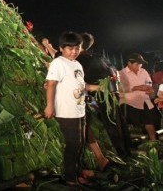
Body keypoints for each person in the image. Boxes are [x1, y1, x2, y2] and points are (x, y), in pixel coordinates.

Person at [44, 31, 99, 187]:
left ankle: (77, 174)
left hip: (79, 110)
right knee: (73, 145)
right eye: (70, 48)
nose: (74, 51)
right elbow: (51, 84)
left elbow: (84, 86)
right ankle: (70, 179)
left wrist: (100, 87)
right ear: (62, 48)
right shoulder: (58, 63)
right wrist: (49, 106)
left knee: (80, 144)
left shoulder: (77, 64)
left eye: (77, 48)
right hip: (66, 111)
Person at [76, 32, 132, 168]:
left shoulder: (81, 60)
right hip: (111, 94)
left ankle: (119, 155)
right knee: (117, 122)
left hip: (100, 96)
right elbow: (114, 73)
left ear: (80, 45)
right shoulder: (99, 57)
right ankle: (125, 152)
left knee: (110, 125)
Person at [119, 53, 158, 140]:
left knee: (150, 122)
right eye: (137, 64)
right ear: (129, 63)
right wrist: (138, 87)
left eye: (141, 64)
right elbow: (122, 88)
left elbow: (149, 82)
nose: (140, 66)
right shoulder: (122, 73)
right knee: (131, 125)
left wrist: (148, 88)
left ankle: (154, 143)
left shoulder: (143, 71)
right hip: (130, 103)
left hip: (145, 100)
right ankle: (131, 144)